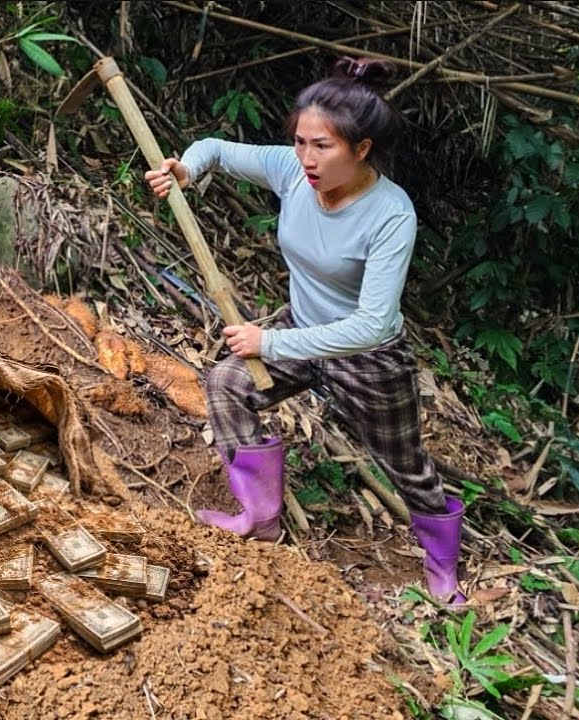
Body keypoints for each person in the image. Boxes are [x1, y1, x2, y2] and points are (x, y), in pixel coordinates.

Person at [144, 57, 466, 604]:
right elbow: (216, 148)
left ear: (362, 149)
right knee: (228, 385)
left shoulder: (391, 214)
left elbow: (370, 323)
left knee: (406, 464)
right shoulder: (293, 171)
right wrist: (187, 170)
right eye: (300, 142)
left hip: (367, 355)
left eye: (324, 147)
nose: (307, 159)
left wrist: (270, 342)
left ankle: (442, 566)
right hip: (301, 331)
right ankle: (260, 519)